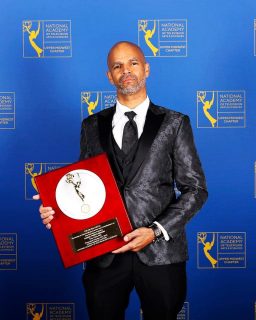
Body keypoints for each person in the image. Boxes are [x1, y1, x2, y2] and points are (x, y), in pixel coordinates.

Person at [34, 41, 208, 320]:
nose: (125, 70)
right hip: (104, 255)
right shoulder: (91, 126)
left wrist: (155, 230)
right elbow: (83, 189)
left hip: (160, 253)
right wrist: (56, 208)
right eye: (117, 66)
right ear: (109, 76)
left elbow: (196, 189)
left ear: (147, 69)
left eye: (133, 63)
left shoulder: (174, 123)